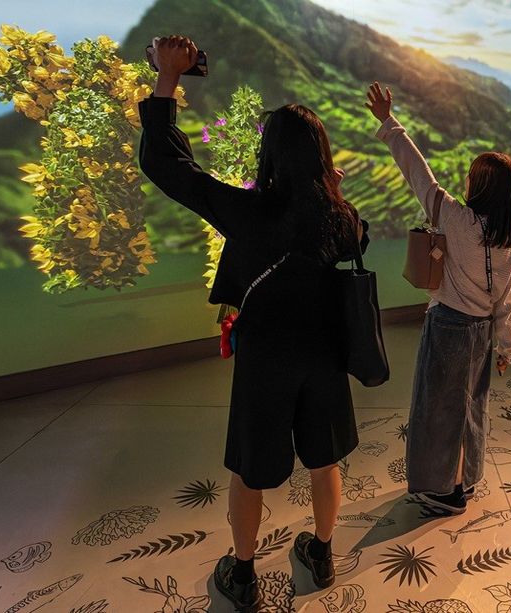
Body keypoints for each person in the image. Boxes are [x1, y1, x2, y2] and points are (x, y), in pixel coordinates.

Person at [139, 36, 370, 611]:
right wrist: (334, 190)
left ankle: (242, 577)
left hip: (266, 357)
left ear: (270, 153)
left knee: (251, 469)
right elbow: (356, 236)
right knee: (324, 460)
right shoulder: (339, 218)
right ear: (321, 156)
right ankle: (320, 552)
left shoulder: (247, 212)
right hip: (324, 356)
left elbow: (167, 165)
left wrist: (168, 79)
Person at [365, 81, 511, 514]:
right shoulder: (509, 239)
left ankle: (443, 490)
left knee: (438, 409)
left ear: (481, 186)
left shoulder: (454, 217)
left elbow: (417, 171)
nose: (466, 179)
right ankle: (465, 479)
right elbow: (508, 297)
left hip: (448, 326)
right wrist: (505, 345)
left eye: (472, 176)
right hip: (483, 334)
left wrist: (388, 121)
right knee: (471, 406)